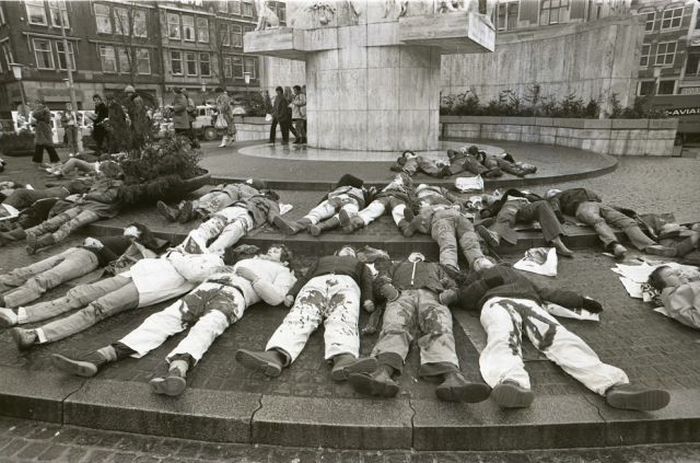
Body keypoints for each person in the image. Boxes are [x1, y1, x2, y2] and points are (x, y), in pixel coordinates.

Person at [51, 245, 296, 397]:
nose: (269, 250)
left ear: (284, 260)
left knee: (206, 329)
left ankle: (177, 371)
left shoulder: (284, 273)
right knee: (164, 318)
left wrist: (254, 278)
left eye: (276, 250)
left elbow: (275, 299)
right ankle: (102, 356)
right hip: (208, 286)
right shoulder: (244, 260)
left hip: (234, 296)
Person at [442, 263, 670, 411]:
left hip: (530, 303)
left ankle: (614, 385)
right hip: (496, 303)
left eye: (486, 259)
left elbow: (548, 293)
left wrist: (580, 300)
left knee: (561, 338)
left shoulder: (520, 277)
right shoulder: (475, 279)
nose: (484, 262)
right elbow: (466, 300)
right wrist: (482, 282)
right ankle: (511, 382)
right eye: (479, 262)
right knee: (503, 337)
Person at [346, 252, 491, 402]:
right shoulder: (397, 265)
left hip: (433, 295)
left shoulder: (434, 266)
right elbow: (381, 280)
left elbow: (451, 283)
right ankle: (382, 372)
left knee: (440, 327)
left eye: (420, 253)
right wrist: (387, 289)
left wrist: (451, 293)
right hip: (401, 295)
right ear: (408, 256)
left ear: (424, 257)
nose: (417, 253)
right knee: (394, 325)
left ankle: (452, 377)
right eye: (413, 252)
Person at [8, 251, 225, 351]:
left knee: (95, 309)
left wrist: (175, 256)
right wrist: (174, 256)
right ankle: (21, 315)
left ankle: (36, 336)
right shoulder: (201, 253)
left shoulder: (215, 263)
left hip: (146, 287)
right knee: (78, 294)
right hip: (133, 274)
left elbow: (193, 273)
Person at [236, 245, 376, 381]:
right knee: (301, 314)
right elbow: (305, 277)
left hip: (347, 284)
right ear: (336, 252)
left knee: (344, 315)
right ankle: (276, 354)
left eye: (351, 250)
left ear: (355, 256)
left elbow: (366, 281)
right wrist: (292, 293)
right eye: (345, 248)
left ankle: (344, 357)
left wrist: (368, 299)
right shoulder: (322, 260)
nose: (348, 250)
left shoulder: (360, 264)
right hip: (316, 282)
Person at [0, 223, 161, 316]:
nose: (126, 228)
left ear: (139, 232)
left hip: (89, 257)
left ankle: (8, 301)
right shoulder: (124, 239)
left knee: (47, 277)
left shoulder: (134, 245)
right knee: (27, 270)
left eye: (130, 227)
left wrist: (100, 245)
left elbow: (117, 262)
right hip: (76, 250)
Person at [545, 188, 677, 259]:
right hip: (583, 206)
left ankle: (649, 245)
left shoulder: (570, 192)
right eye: (552, 192)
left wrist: (626, 211)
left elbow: (606, 205)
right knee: (598, 221)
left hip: (599, 204)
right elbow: (554, 207)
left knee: (627, 221)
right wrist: (559, 219)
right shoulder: (558, 197)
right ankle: (614, 245)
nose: (554, 191)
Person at [23, 161, 124, 254]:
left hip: (97, 209)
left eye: (101, 171)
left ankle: (40, 244)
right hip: (84, 204)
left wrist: (87, 195)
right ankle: (32, 233)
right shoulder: (100, 181)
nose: (99, 173)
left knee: (70, 225)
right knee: (58, 219)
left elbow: (108, 198)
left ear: (108, 172)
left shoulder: (117, 184)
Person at [408, 184, 494, 274]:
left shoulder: (439, 191)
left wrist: (465, 203)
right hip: (444, 217)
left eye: (427, 188)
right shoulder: (419, 201)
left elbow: (455, 198)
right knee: (456, 242)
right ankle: (455, 267)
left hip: (452, 215)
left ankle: (476, 264)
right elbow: (414, 221)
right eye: (422, 189)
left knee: (462, 241)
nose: (427, 191)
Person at [176, 190, 281, 256]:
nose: (262, 194)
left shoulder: (271, 203)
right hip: (240, 212)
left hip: (248, 214)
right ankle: (194, 248)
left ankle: (206, 254)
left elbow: (274, 216)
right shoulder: (252, 196)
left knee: (230, 230)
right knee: (217, 226)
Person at [476, 189, 574, 257]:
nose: (553, 192)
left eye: (554, 192)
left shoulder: (540, 199)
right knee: (508, 211)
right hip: (512, 204)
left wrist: (555, 208)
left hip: (528, 208)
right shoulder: (508, 195)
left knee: (543, 204)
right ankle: (496, 235)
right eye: (551, 191)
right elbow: (490, 202)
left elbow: (554, 210)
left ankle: (557, 242)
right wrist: (488, 210)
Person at [273, 174, 368, 236]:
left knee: (346, 212)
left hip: (352, 201)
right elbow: (347, 177)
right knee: (318, 212)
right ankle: (296, 226)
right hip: (338, 198)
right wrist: (319, 206)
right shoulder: (344, 189)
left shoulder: (363, 192)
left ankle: (319, 227)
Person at [157, 179, 266, 224]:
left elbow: (249, 198)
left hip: (230, 195)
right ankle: (175, 212)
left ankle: (191, 214)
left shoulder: (253, 190)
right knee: (201, 200)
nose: (248, 182)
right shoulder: (240, 184)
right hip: (221, 190)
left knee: (214, 203)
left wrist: (242, 195)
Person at [338, 173, 416, 237]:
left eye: (400, 178)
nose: (396, 179)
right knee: (373, 209)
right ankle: (350, 225)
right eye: (396, 178)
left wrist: (404, 191)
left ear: (406, 182)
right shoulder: (386, 188)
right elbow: (375, 195)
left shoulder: (407, 190)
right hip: (383, 198)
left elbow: (412, 199)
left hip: (398, 199)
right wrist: (377, 191)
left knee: (399, 210)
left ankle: (407, 227)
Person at [648, 260, 700, 330]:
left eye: (677, 271)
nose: (679, 273)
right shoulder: (674, 296)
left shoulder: (684, 286)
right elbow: (697, 320)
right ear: (665, 285)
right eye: (671, 274)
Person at [1, 180, 91, 210]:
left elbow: (84, 190)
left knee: (20, 192)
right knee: (19, 197)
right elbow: (48, 184)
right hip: (48, 193)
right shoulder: (66, 185)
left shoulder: (75, 183)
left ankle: (2, 212)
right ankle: (5, 212)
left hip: (52, 194)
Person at [32, 99, 60, 166]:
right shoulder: (40, 110)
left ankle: (54, 159)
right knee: (40, 145)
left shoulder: (45, 110)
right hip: (40, 129)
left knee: (47, 145)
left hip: (45, 129)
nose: (37, 105)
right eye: (37, 103)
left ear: (42, 104)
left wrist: (39, 116)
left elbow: (45, 119)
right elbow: (34, 115)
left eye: (39, 103)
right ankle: (38, 160)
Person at [124, 85, 149, 150]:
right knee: (136, 137)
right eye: (127, 93)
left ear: (132, 93)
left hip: (138, 121)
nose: (128, 95)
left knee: (139, 137)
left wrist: (129, 111)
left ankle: (141, 150)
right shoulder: (133, 99)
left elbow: (138, 111)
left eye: (129, 93)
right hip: (136, 121)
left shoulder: (136, 99)